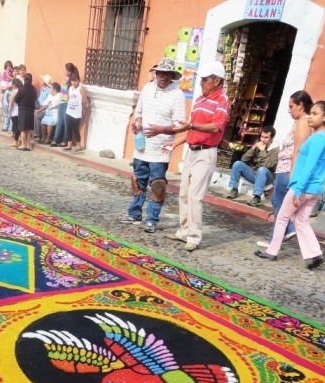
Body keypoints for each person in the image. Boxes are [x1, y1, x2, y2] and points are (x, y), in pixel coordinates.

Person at [254, 100, 325, 270]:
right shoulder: (324, 136)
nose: (310, 117)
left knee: (283, 216)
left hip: (304, 186)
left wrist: (297, 189)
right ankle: (315, 254)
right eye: (311, 113)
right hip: (314, 188)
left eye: (315, 114)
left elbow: (310, 165)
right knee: (302, 221)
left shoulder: (319, 138)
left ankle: (272, 250)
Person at [162, 60, 230, 251]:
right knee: (183, 192)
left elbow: (216, 127)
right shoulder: (200, 100)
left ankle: (194, 235)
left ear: (217, 81)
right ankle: (184, 230)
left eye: (205, 80)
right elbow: (190, 128)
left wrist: (191, 126)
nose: (201, 83)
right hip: (192, 150)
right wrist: (176, 142)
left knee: (195, 195)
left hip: (206, 152)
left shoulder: (222, 100)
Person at [118, 57, 186, 233]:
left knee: (157, 184)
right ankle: (134, 213)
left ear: (172, 76)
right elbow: (138, 112)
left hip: (161, 148)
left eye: (167, 74)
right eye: (161, 73)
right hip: (142, 145)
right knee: (137, 180)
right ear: (156, 74)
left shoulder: (177, 95)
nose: (163, 77)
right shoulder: (147, 88)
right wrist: (137, 123)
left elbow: (179, 126)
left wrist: (161, 129)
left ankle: (152, 219)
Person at [257, 90, 313, 249]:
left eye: (291, 106)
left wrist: (293, 173)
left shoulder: (303, 122)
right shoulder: (299, 122)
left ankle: (274, 241)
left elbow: (298, 149)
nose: (288, 110)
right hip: (283, 168)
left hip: (288, 168)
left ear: (301, 105)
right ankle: (286, 231)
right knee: (277, 202)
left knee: (280, 206)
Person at [227, 126, 279, 206]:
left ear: (271, 138)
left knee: (262, 169)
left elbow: (268, 164)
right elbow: (244, 159)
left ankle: (257, 197)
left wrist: (262, 151)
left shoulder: (275, 150)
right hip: (255, 174)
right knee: (237, 164)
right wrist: (253, 148)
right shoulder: (258, 146)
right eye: (262, 137)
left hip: (267, 178)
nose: (263, 140)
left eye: (266, 137)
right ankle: (234, 189)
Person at [51, 62, 76, 147]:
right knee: (59, 121)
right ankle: (55, 139)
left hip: (66, 103)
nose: (65, 71)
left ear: (69, 71)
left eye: (66, 70)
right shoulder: (66, 79)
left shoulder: (72, 80)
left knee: (66, 123)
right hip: (61, 102)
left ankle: (65, 140)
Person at [64, 72, 89, 153]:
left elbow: (85, 99)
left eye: (75, 81)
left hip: (77, 112)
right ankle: (69, 144)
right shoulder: (70, 88)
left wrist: (83, 107)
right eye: (72, 81)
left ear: (78, 81)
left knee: (75, 128)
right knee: (68, 127)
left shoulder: (80, 88)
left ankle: (78, 145)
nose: (73, 83)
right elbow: (68, 97)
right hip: (69, 110)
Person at [14, 72, 38, 151]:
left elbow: (16, 99)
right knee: (28, 129)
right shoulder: (34, 89)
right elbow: (35, 99)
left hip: (23, 109)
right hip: (31, 110)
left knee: (23, 129)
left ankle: (23, 145)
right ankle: (28, 145)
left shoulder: (22, 89)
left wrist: (20, 103)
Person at [33, 74, 53, 139]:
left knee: (37, 117)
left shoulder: (49, 91)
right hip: (39, 106)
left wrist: (38, 110)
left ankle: (38, 135)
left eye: (42, 80)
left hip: (44, 109)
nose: (41, 81)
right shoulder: (43, 90)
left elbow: (46, 104)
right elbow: (39, 100)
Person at [8, 77, 22, 148]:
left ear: (14, 85)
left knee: (16, 126)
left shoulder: (15, 92)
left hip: (15, 111)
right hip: (21, 110)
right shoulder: (21, 90)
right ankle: (19, 140)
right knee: (18, 126)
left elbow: (11, 103)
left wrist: (9, 112)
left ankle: (16, 141)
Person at [0, 60, 14, 131]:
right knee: (6, 112)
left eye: (9, 66)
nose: (8, 68)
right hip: (5, 85)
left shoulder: (12, 72)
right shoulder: (6, 72)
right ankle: (6, 126)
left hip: (10, 94)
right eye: (7, 66)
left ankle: (10, 127)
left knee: (10, 111)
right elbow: (8, 77)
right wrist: (13, 79)